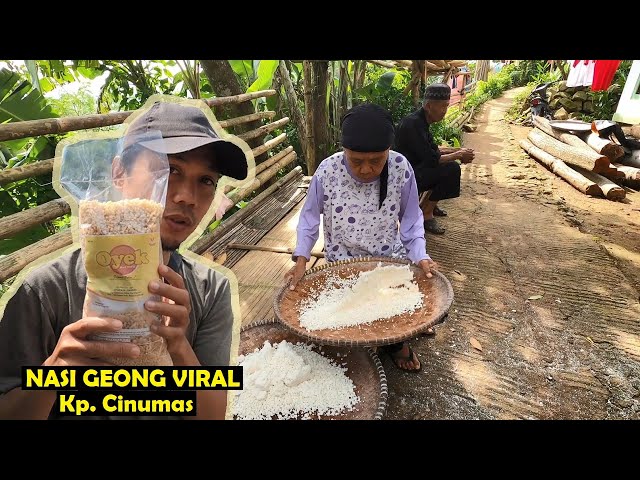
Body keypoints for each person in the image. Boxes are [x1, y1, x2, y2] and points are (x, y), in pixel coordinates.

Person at [0, 98, 252, 420]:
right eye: (171, 170)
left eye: (206, 181)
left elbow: (212, 415)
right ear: (119, 173)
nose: (187, 197)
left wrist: (178, 347)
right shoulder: (46, 290)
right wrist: (54, 371)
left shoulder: (209, 290)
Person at [285, 103, 438, 372]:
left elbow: (412, 220)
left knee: (419, 304)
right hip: (342, 265)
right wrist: (300, 258)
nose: (366, 169)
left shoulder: (401, 167)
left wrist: (420, 256)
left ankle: (395, 343)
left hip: (387, 263)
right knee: (349, 317)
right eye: (356, 161)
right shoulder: (327, 171)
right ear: (343, 150)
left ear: (388, 152)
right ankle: (393, 337)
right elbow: (309, 219)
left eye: (376, 161)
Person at [394, 83, 475, 235]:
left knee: (447, 166)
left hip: (414, 170)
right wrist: (458, 155)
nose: (445, 111)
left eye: (447, 106)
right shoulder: (413, 124)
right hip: (404, 178)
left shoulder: (420, 121)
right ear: (429, 106)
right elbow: (431, 159)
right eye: (443, 106)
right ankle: (425, 214)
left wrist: (458, 150)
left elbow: (433, 149)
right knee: (451, 169)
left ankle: (425, 206)